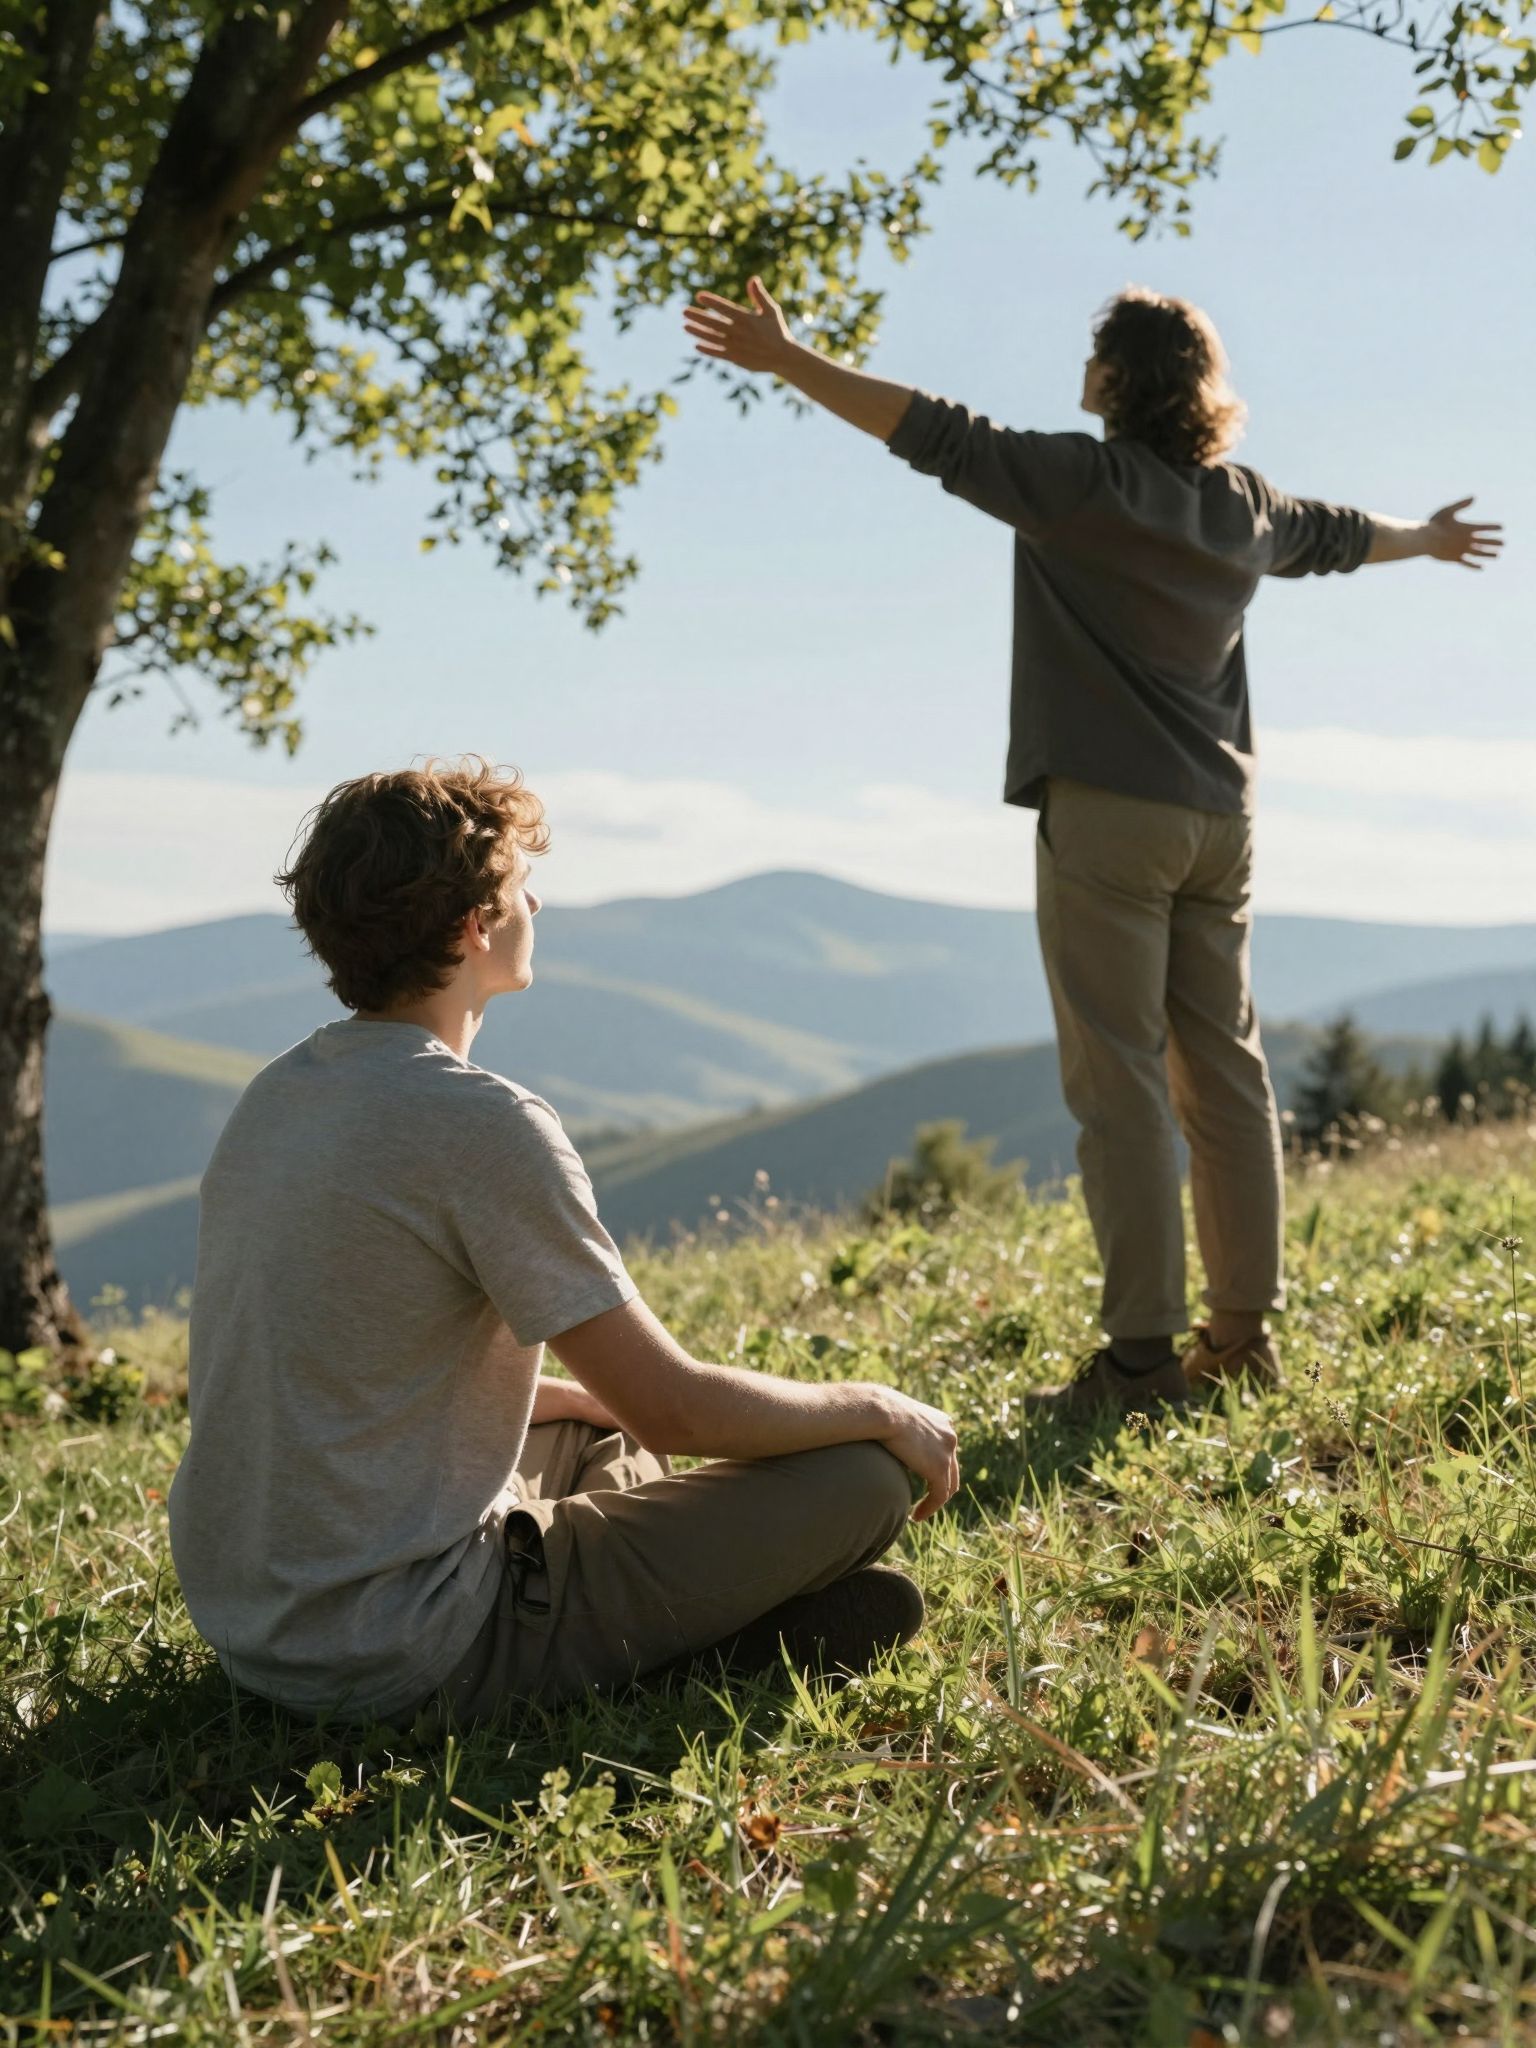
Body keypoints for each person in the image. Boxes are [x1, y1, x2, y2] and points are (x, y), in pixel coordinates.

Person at [682, 279, 1502, 1419]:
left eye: (1092, 356)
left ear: (1115, 380)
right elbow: (1342, 536)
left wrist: (793, 360)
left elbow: (930, 429)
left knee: (1118, 1080)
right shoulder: (1245, 506)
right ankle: (1245, 1338)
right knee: (1226, 1073)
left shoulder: (1080, 483)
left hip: (1111, 815)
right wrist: (1432, 540)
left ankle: (1138, 1364)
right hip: (1224, 823)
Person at [168, 760, 957, 1726]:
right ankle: (662, 1652)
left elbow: (321, 1374)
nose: (534, 899)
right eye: (515, 886)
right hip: (403, 1648)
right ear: (474, 926)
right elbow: (674, 1409)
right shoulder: (481, 1124)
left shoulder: (276, 1100)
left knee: (589, 1422)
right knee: (865, 1477)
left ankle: (654, 1622)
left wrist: (571, 1400)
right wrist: (875, 1404)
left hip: (259, 1626)